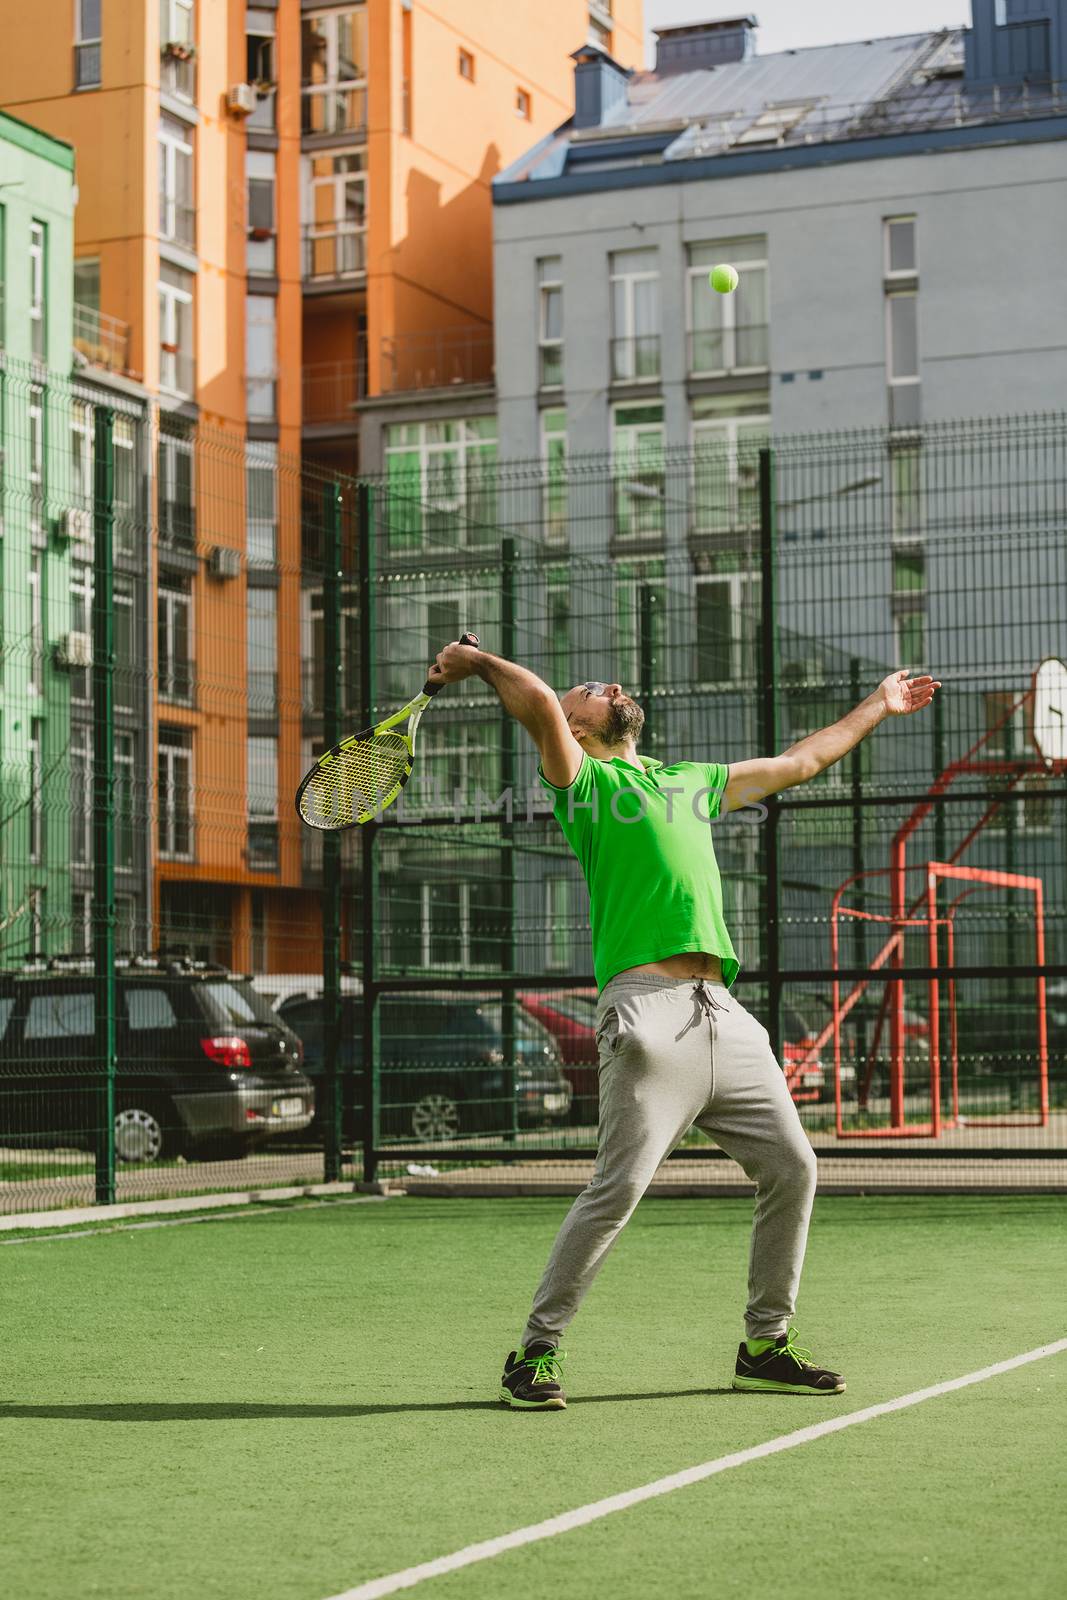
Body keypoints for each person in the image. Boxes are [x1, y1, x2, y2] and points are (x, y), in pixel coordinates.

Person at [429, 643, 941, 1411]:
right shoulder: (583, 782)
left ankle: (765, 1345)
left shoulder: (687, 782)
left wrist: (878, 704)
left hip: (723, 1014)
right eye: (591, 688)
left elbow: (801, 762)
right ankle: (534, 1354)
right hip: (644, 1008)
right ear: (576, 725)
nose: (610, 683)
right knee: (618, 1188)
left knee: (794, 1169)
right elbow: (534, 699)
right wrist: (474, 660)